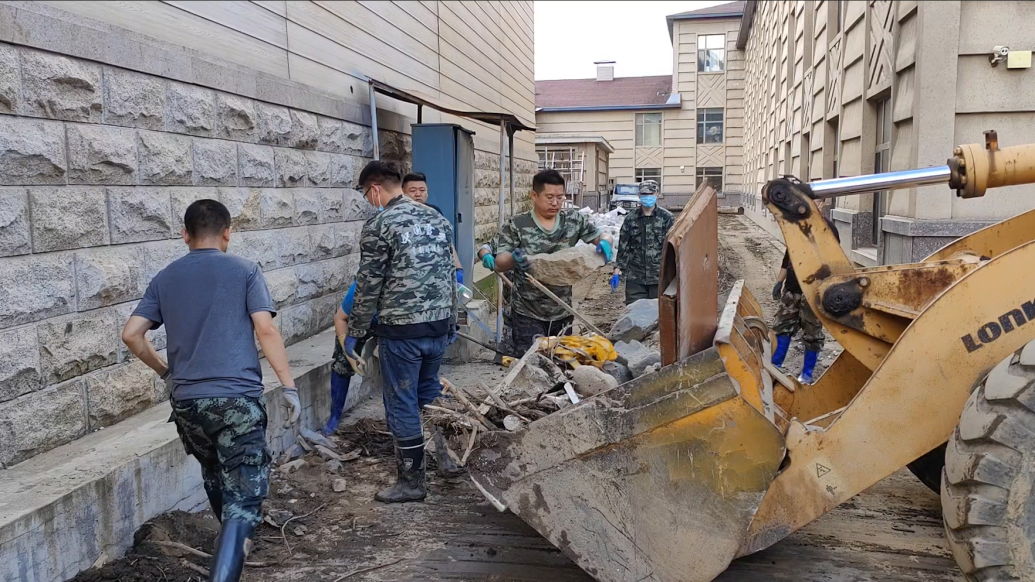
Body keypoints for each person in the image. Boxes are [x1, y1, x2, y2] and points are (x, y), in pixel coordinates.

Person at [121, 199, 300, 582]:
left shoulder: (166, 277)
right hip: (235, 400)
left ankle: (231, 549)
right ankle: (226, 568)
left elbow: (131, 334)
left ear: (185, 234)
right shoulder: (245, 271)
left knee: (217, 474)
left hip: (187, 403)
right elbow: (266, 330)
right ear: (227, 233)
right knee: (246, 494)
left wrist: (165, 372)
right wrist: (289, 385)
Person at [344, 160, 458, 503]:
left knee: (402, 402)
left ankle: (411, 483)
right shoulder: (438, 219)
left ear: (375, 189)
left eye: (366, 194)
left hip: (402, 331)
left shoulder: (379, 225)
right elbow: (449, 273)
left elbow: (368, 285)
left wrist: (356, 331)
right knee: (430, 392)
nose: (368, 200)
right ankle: (450, 457)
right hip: (438, 327)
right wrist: (451, 320)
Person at [493, 169, 615, 353]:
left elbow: (601, 235)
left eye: (560, 197)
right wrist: (514, 258)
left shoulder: (573, 220)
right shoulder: (517, 224)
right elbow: (499, 262)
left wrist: (606, 242)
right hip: (527, 311)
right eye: (549, 197)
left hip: (562, 309)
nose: (556, 203)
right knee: (532, 365)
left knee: (562, 362)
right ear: (534, 195)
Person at [770, 199, 841, 384]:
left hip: (814, 292)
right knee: (782, 327)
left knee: (812, 333)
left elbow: (835, 262)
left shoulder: (829, 229)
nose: (814, 205)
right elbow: (787, 260)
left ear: (823, 205)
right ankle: (775, 367)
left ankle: (807, 374)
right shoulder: (795, 228)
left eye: (817, 202)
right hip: (792, 291)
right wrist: (779, 282)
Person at [613, 180, 674, 304]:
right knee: (634, 314)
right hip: (635, 278)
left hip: (659, 278)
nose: (647, 197)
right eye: (644, 194)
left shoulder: (667, 218)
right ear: (639, 195)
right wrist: (617, 271)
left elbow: (673, 248)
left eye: (650, 194)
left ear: (657, 194)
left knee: (658, 316)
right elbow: (624, 246)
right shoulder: (630, 219)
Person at [322, 282, 371, 436]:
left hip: (397, 325)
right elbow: (340, 318)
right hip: (362, 321)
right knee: (342, 364)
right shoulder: (361, 288)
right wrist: (347, 348)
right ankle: (335, 416)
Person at [403, 171, 466, 285]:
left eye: (422, 190)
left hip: (436, 278)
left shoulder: (435, 213)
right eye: (412, 191)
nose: (418, 194)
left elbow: (447, 242)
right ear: (403, 193)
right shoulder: (398, 217)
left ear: (427, 192)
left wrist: (458, 268)